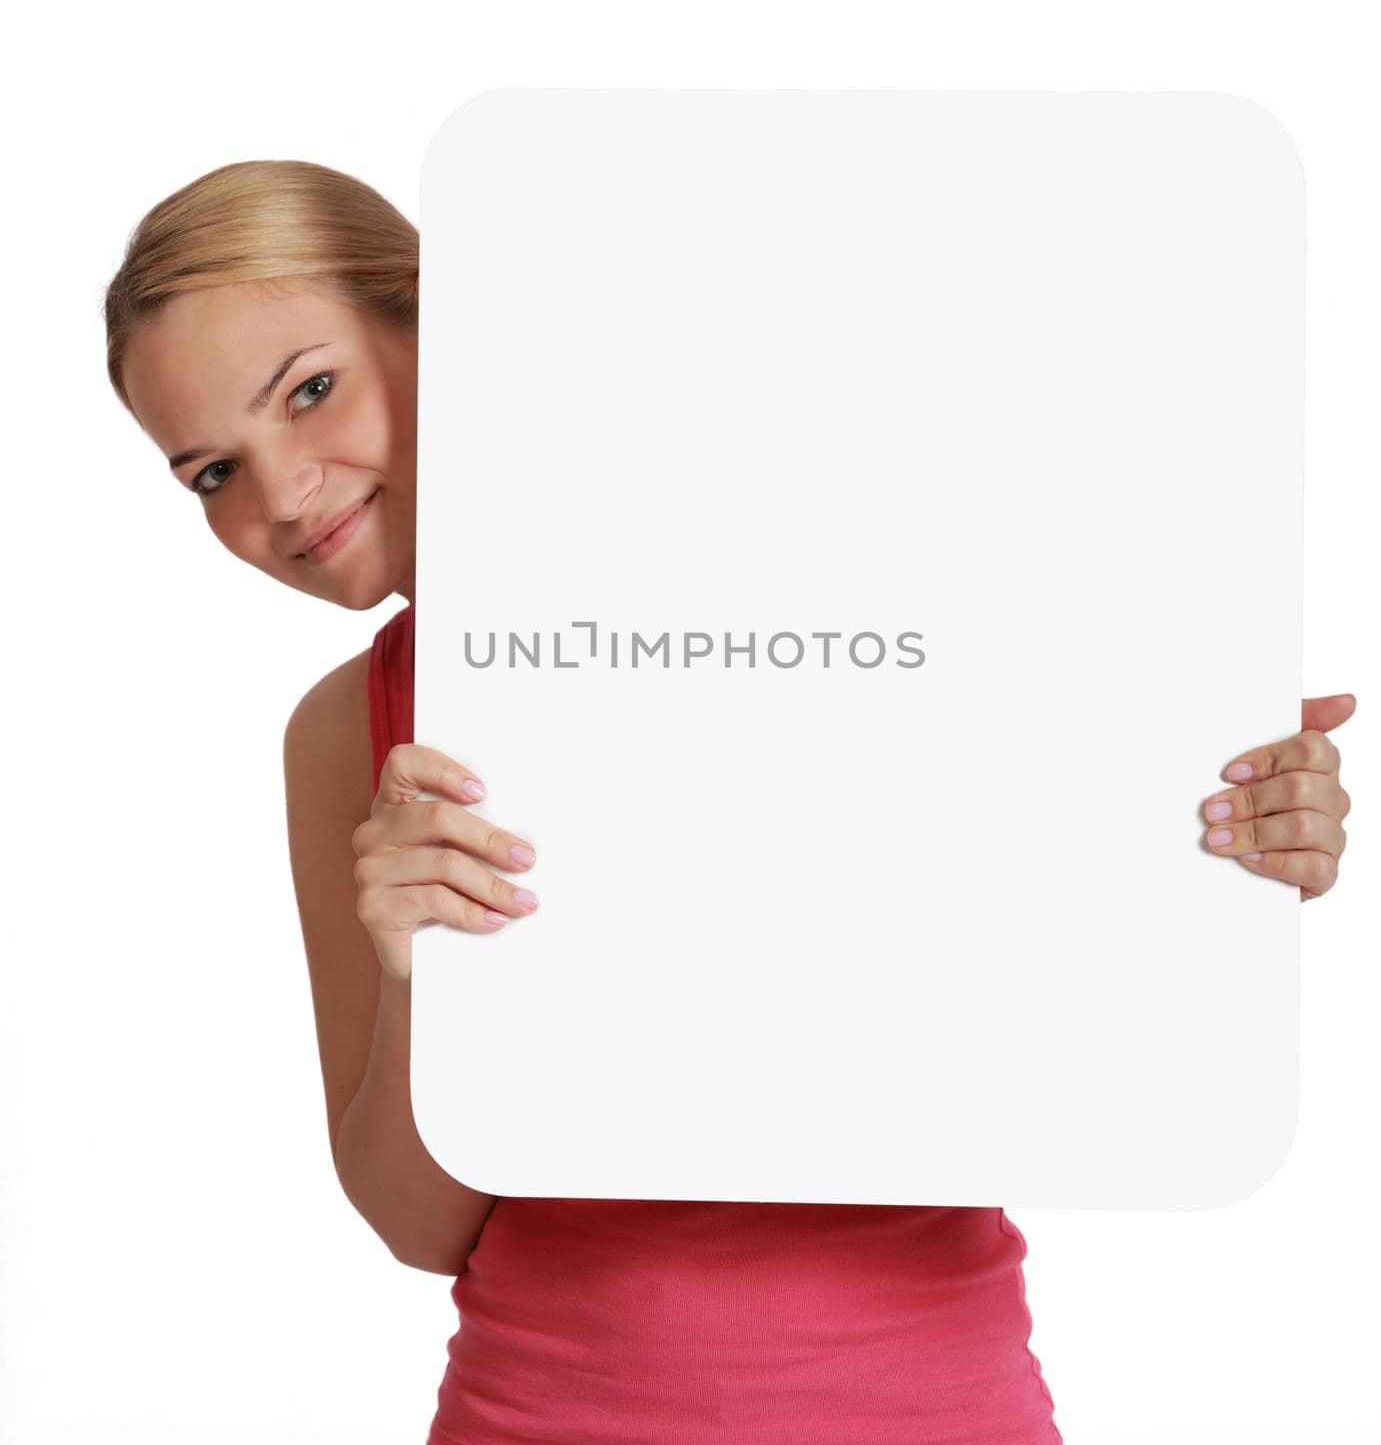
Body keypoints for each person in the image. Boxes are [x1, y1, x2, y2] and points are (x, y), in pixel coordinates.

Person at [104, 158, 1355, 1445]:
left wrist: (1231, 838)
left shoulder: (846, 576)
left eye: (311, 392)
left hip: (931, 1403)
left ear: (447, 317)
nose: (281, 494)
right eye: (213, 473)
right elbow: (418, 1231)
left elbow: (1079, 1009)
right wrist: (428, 970)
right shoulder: (341, 734)